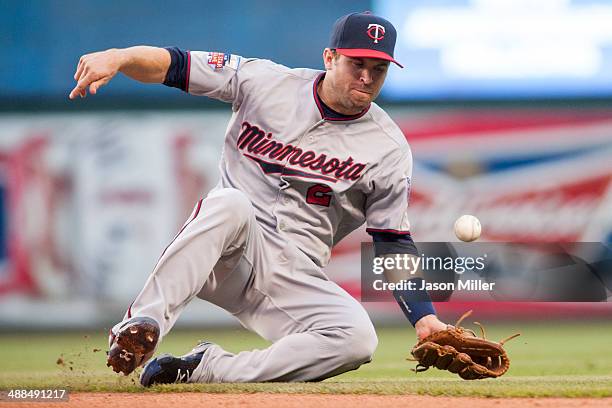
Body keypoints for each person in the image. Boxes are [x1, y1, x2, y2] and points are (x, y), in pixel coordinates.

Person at [69, 11, 448, 386]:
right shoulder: (264, 81)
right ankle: (140, 326)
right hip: (226, 250)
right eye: (357, 63)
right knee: (230, 203)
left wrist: (425, 318)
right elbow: (176, 65)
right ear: (329, 58)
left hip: (295, 272)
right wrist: (120, 56)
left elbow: (393, 241)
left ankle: (206, 368)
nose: (366, 77)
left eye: (378, 69)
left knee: (357, 340)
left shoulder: (388, 147)